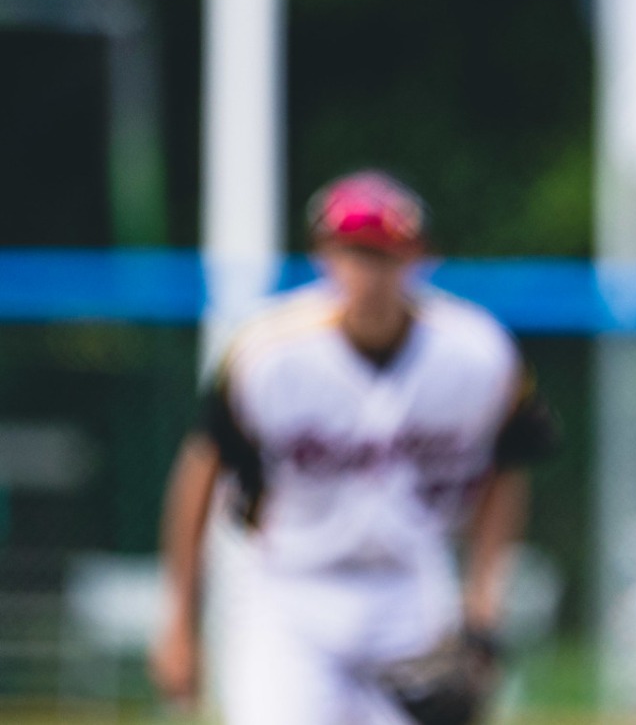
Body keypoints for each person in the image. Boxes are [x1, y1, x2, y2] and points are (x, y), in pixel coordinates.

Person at [149, 170, 559, 724]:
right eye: (353, 251)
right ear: (324, 255)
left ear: (419, 257)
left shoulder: (477, 353)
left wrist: (482, 604)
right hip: (289, 591)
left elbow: (509, 463)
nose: (368, 271)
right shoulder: (269, 352)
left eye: (384, 253)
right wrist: (180, 620)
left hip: (410, 590)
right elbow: (201, 471)